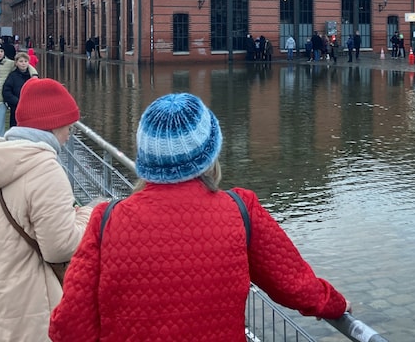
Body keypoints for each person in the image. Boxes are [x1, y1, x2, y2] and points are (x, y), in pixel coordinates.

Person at [49, 93, 351, 341]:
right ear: (211, 152)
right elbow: (296, 286)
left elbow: (67, 327)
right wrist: (336, 304)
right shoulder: (240, 210)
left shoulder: (106, 221)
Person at [0, 78, 95, 341]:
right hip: (25, 302)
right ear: (54, 124)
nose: (69, 136)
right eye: (69, 127)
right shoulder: (44, 169)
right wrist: (91, 214)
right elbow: (60, 247)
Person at [3, 51, 39, 128]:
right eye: (21, 61)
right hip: (16, 108)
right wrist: (16, 101)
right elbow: (6, 91)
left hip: (30, 108)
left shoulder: (32, 76)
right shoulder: (12, 76)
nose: (23, 63)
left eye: (26, 61)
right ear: (16, 63)